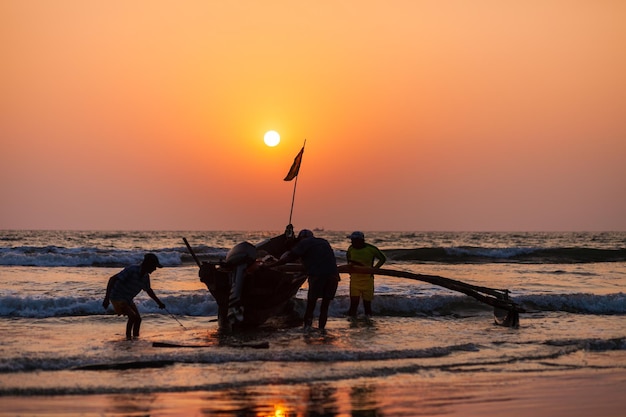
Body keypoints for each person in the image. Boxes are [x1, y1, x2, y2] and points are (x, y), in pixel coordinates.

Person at [265, 229, 339, 330]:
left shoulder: (304, 242)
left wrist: (271, 265)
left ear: (301, 238)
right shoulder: (323, 242)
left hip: (317, 276)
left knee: (311, 304)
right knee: (325, 306)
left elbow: (289, 258)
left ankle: (307, 329)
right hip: (333, 276)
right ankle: (322, 330)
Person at [102, 253, 166, 340]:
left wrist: (159, 303)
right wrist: (106, 298)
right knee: (132, 316)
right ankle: (128, 339)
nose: (155, 269)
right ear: (148, 264)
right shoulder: (131, 270)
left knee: (138, 319)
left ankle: (136, 338)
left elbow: (149, 291)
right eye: (154, 266)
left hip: (128, 299)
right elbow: (112, 279)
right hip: (117, 296)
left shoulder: (145, 277)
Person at [346, 231, 386, 318]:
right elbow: (348, 260)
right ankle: (352, 322)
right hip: (354, 280)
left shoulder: (371, 249)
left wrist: (375, 269)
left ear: (360, 240)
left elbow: (382, 259)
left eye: (353, 240)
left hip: (368, 280)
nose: (352, 242)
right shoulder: (350, 248)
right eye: (351, 240)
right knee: (353, 303)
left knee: (367, 304)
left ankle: (368, 323)